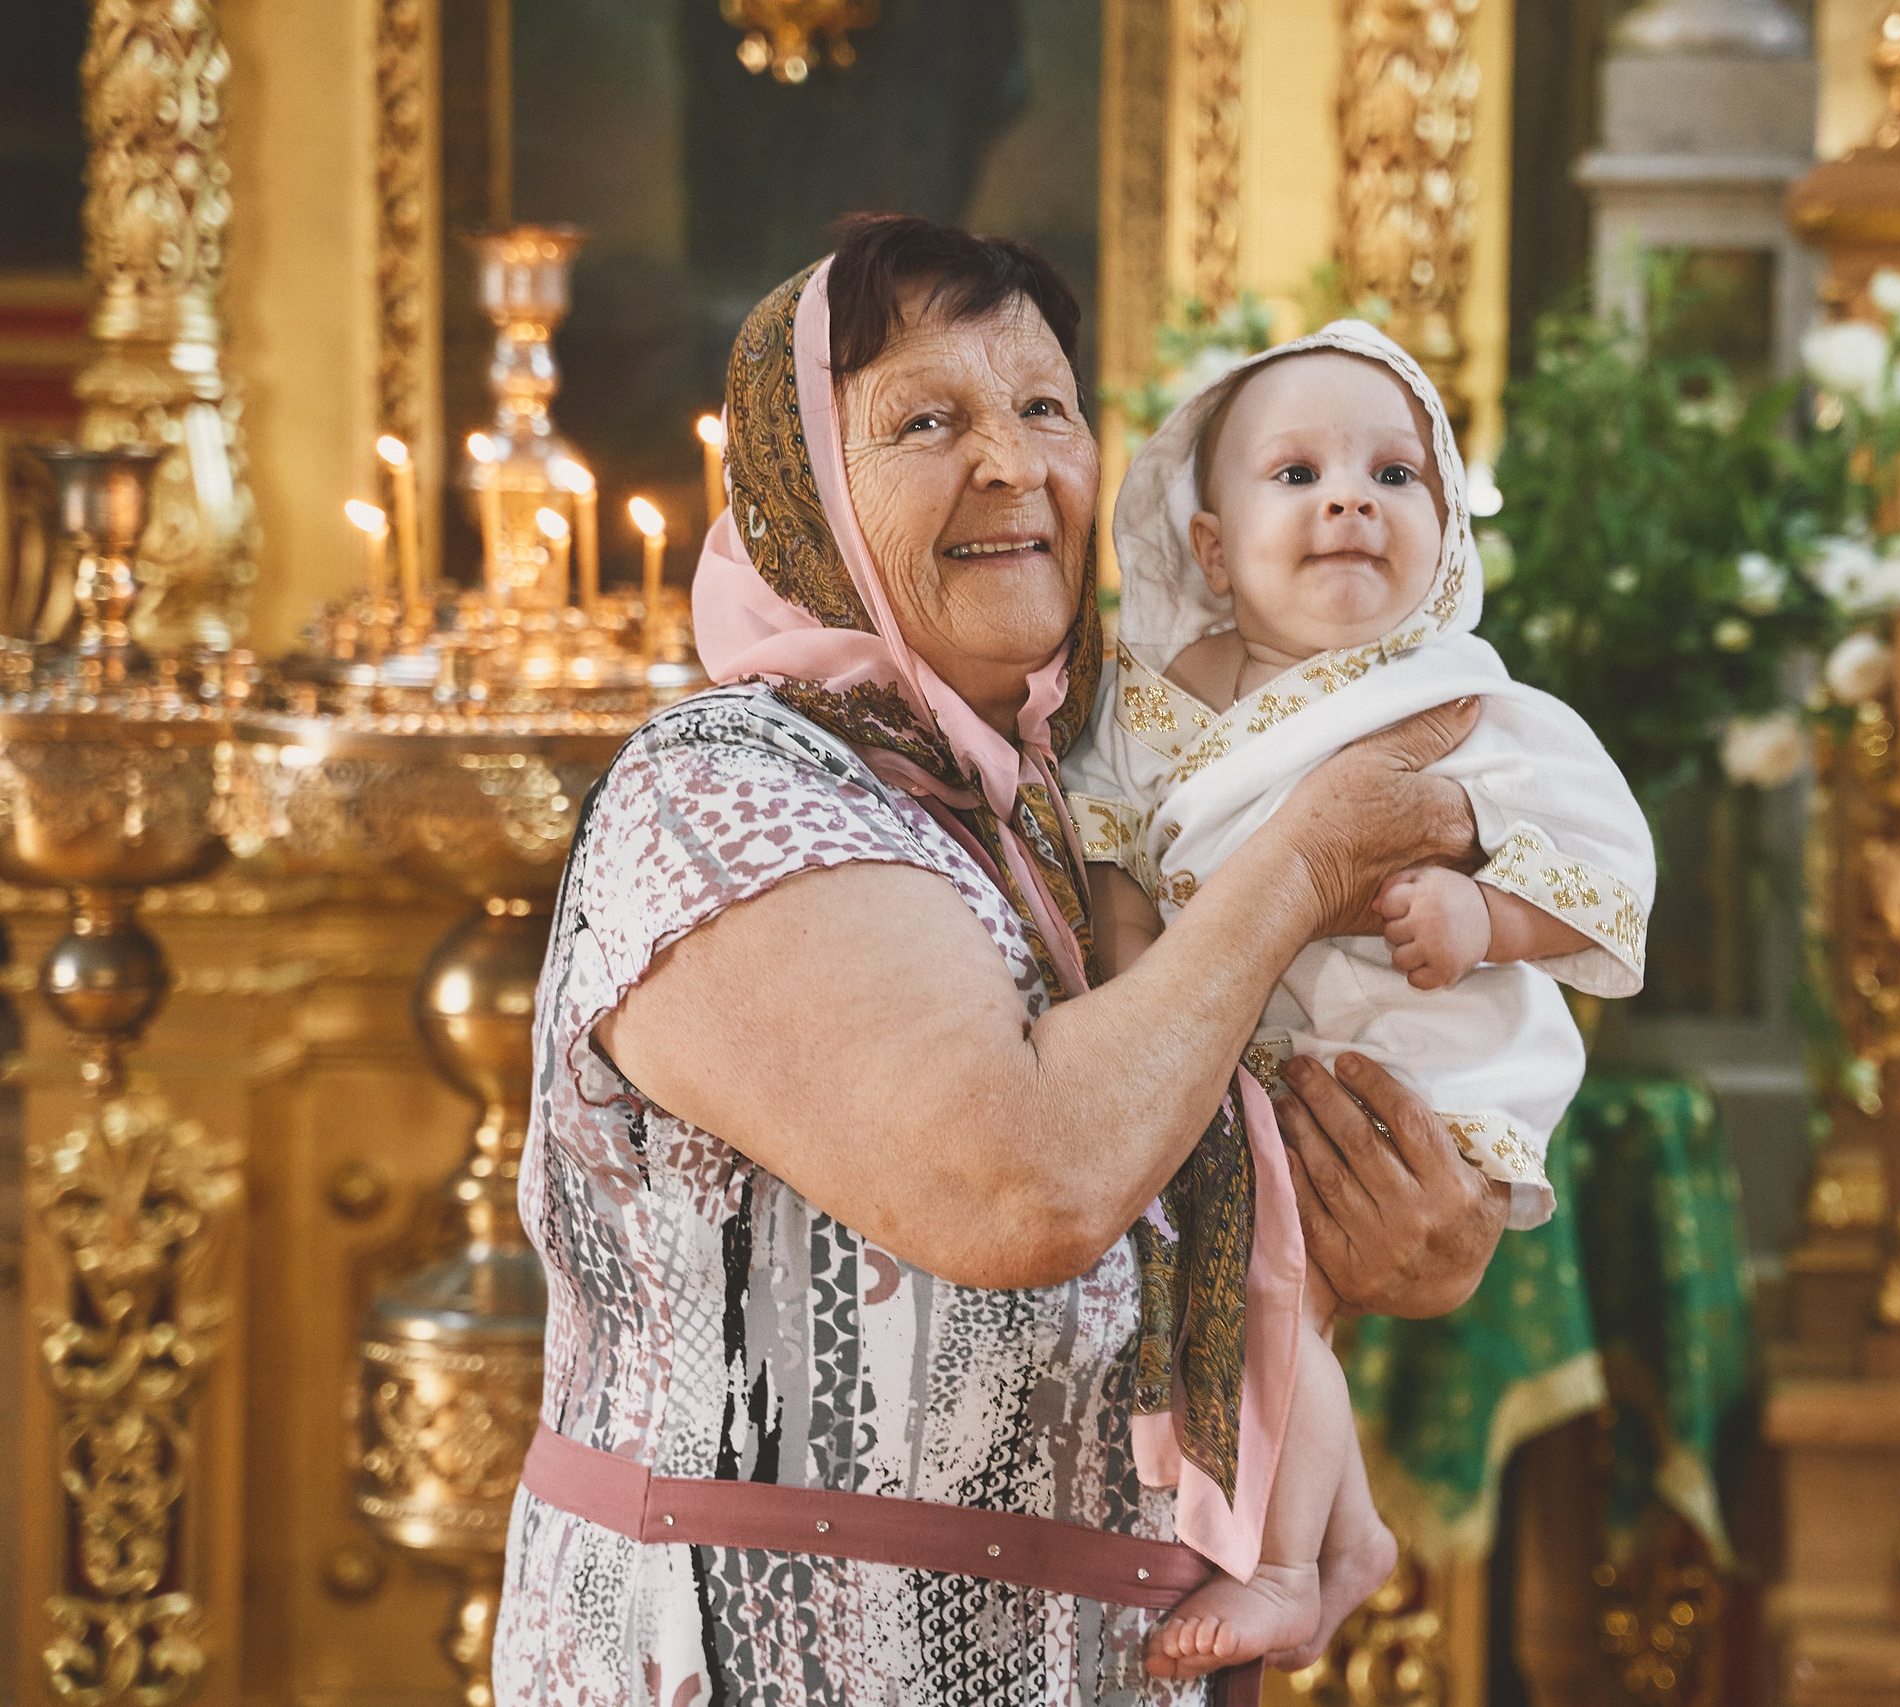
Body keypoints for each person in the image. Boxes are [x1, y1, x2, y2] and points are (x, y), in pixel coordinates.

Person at [491, 217, 1506, 1705]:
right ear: (799, 485)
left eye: (1044, 408)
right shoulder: (721, 789)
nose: (1014, 466)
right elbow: (1021, 1186)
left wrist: (1387, 1237)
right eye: (927, 422)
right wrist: (1304, 865)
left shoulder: (1068, 805)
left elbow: (1175, 1208)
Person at [1066, 322, 1653, 1676]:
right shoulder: (1155, 699)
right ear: (1211, 549)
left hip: (1406, 1058)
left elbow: (1609, 868)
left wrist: (1488, 913)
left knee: (1277, 1291)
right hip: (1233, 1053)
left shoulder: (1464, 701)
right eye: (1298, 475)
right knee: (1265, 1299)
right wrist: (1138, 965)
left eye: (1394, 475)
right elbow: (1109, 840)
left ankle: (1289, 1565)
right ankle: (1345, 1537)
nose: (1350, 501)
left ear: (1445, 533)